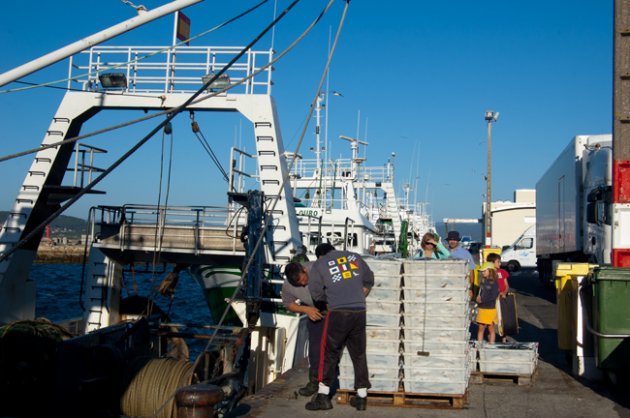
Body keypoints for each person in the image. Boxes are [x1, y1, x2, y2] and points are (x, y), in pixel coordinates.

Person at [305, 243, 374, 411]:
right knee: (358, 353)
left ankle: (323, 395)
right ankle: (361, 397)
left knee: (329, 353)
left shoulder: (320, 264)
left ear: (320, 255)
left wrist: (328, 301)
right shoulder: (354, 257)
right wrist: (358, 295)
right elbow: (369, 279)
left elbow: (315, 292)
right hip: (359, 310)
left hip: (338, 312)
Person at [282, 261, 326, 396]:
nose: (303, 284)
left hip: (336, 308)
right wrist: (306, 309)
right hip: (315, 312)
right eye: (299, 284)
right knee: (315, 349)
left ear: (305, 270)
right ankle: (314, 382)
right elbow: (288, 304)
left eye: (303, 280)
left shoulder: (319, 268)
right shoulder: (288, 285)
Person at [486, 252, 510, 342]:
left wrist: (504, 292)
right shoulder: (488, 273)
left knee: (503, 319)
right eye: (498, 262)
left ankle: (504, 338)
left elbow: (506, 285)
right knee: (491, 319)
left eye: (500, 262)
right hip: (492, 300)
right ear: (492, 263)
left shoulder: (503, 272)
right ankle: (490, 337)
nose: (500, 263)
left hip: (502, 298)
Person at [476, 262, 500, 343]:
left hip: (489, 308)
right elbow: (481, 293)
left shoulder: (494, 283)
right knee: (481, 328)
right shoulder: (483, 282)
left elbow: (493, 296)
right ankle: (480, 346)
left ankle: (491, 346)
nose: (482, 273)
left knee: (490, 328)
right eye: (482, 271)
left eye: (484, 271)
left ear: (490, 271)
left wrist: (482, 300)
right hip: (482, 308)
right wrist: (478, 298)